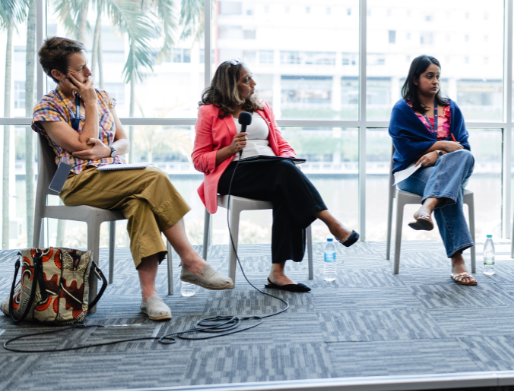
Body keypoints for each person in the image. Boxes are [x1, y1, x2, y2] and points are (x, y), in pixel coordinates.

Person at [31, 37, 233, 321]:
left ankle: (148, 295)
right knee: (154, 177)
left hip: (115, 175)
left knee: (142, 203)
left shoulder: (102, 96)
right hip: (75, 180)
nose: (89, 73)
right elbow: (82, 146)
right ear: (58, 74)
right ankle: (191, 260)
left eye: (87, 66)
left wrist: (109, 149)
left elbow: (123, 142)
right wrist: (89, 106)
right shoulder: (48, 107)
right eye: (81, 68)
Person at [192, 60, 359, 293]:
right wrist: (228, 149)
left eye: (251, 77)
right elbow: (199, 160)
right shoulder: (209, 112)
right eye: (246, 79)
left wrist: (291, 160)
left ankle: (277, 273)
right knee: (284, 173)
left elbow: (280, 143)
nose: (254, 83)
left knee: (285, 185)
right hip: (235, 173)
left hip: (273, 169)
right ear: (230, 85)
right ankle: (333, 224)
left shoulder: (261, 108)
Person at [388, 55, 476, 286]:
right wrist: (440, 144)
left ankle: (426, 207)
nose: (435, 81)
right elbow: (405, 147)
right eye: (429, 76)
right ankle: (458, 261)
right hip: (412, 172)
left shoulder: (450, 108)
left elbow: (463, 147)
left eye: (438, 76)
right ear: (415, 79)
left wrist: (436, 154)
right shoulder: (402, 109)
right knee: (449, 190)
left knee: (464, 157)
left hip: (451, 169)